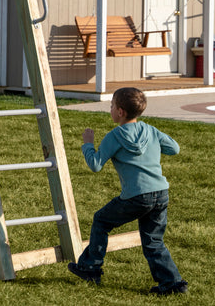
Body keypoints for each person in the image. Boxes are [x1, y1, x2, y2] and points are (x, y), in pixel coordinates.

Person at [67, 87, 188, 295]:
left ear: (121, 112)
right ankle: (172, 284)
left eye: (112, 106)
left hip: (137, 196)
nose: (110, 109)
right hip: (161, 193)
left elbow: (95, 164)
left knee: (101, 221)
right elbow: (174, 149)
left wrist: (88, 144)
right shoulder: (151, 130)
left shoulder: (114, 136)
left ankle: (90, 267)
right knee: (153, 241)